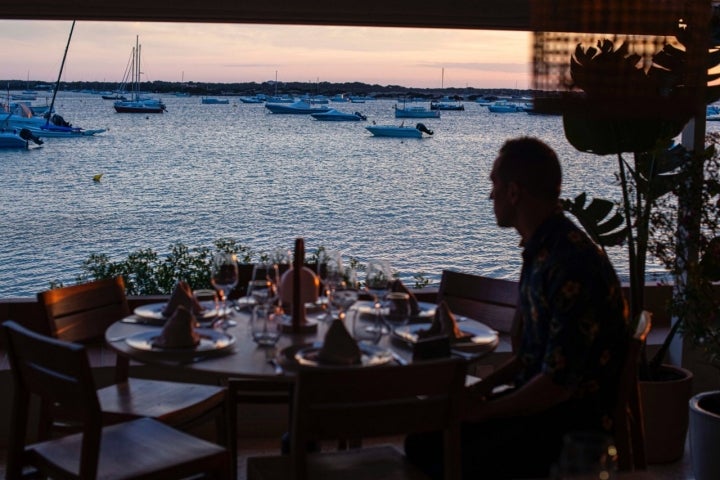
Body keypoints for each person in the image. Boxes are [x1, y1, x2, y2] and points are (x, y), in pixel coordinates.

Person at [405, 137, 630, 479]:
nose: (489, 196)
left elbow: (557, 386)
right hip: (543, 409)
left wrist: (484, 412)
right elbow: (531, 357)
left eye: (494, 185)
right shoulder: (544, 249)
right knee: (424, 439)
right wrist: (478, 392)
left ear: (513, 192)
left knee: (434, 450)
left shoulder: (570, 264)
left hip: (569, 428)